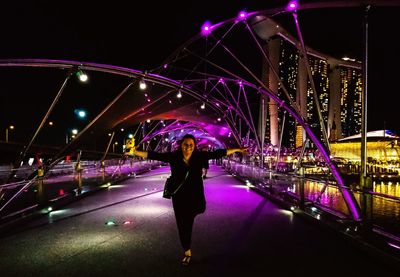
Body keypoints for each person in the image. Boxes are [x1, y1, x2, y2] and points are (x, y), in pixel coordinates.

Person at [130, 133, 247, 266]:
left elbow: (219, 153)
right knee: (183, 225)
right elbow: (154, 155)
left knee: (200, 209)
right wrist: (135, 152)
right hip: (179, 196)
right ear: (181, 145)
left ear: (194, 146)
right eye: (185, 145)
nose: (188, 147)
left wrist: (237, 149)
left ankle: (189, 222)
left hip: (195, 194)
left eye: (191, 145)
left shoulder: (199, 156)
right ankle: (187, 250)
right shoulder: (174, 156)